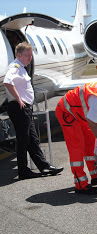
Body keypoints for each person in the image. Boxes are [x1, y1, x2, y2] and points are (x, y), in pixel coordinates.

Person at [3, 42, 63, 180]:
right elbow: (7, 82)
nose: (30, 58)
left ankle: (44, 166)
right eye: (27, 55)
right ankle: (23, 171)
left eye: (30, 55)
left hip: (24, 108)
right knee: (23, 140)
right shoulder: (15, 67)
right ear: (19, 55)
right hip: (19, 108)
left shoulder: (22, 67)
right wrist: (18, 99)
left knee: (32, 139)